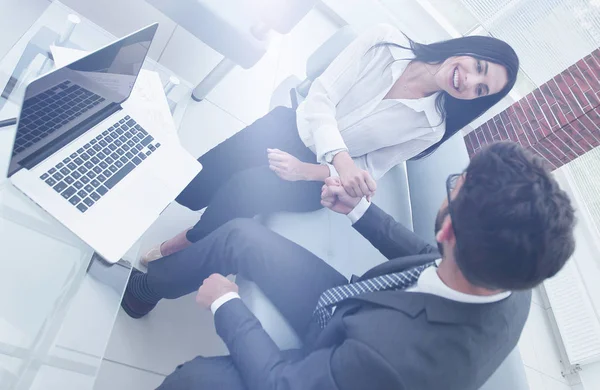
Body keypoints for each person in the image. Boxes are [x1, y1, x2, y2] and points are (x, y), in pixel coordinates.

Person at [121, 142, 576, 390]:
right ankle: (146, 290)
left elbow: (284, 385)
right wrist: (359, 211)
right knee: (241, 234)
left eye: (456, 185)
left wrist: (227, 304)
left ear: (450, 232)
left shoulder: (395, 363)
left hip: (343, 358)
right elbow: (430, 254)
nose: (452, 186)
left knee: (193, 382)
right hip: (355, 307)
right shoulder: (512, 270)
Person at [140, 23, 520, 264]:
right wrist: (340, 158)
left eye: (481, 90)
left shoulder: (432, 126)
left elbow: (369, 168)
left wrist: (309, 171)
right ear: (471, 49)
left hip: (318, 182)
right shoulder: (382, 42)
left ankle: (190, 241)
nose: (469, 82)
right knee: (197, 184)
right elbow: (319, 99)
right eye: (479, 68)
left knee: (242, 189)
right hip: (292, 128)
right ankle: (138, 202)